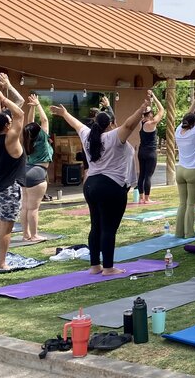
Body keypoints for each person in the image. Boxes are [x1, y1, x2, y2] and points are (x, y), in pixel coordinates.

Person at [51, 97, 147, 275]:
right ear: (110, 124)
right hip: (110, 187)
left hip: (91, 185)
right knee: (109, 228)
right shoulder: (113, 136)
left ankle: (95, 266)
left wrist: (64, 113)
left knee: (96, 226)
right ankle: (108, 268)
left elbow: (76, 124)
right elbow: (128, 126)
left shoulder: (88, 135)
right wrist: (141, 109)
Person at [0, 84, 26, 269]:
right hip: (9, 189)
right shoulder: (11, 138)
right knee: (6, 228)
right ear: (8, 125)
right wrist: (2, 97)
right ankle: (1, 262)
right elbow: (20, 114)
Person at [20, 94, 53, 242]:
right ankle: (34, 235)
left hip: (25, 171)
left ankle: (25, 234)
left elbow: (29, 123)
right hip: (37, 172)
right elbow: (45, 120)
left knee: (25, 207)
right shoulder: (42, 137)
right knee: (33, 208)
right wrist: (38, 104)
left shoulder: (27, 137)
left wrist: (32, 106)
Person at [175, 106, 195, 238]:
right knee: (191, 203)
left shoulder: (178, 131)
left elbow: (188, 114)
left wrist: (194, 101)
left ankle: (179, 232)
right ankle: (189, 232)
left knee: (182, 203)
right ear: (193, 124)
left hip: (180, 170)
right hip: (194, 171)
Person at [136, 91, 165, 204]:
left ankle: (140, 197)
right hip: (150, 152)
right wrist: (155, 98)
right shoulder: (151, 123)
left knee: (142, 174)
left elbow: (150, 113)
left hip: (141, 151)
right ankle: (147, 199)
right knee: (148, 175)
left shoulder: (141, 123)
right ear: (150, 115)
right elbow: (161, 110)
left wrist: (150, 102)